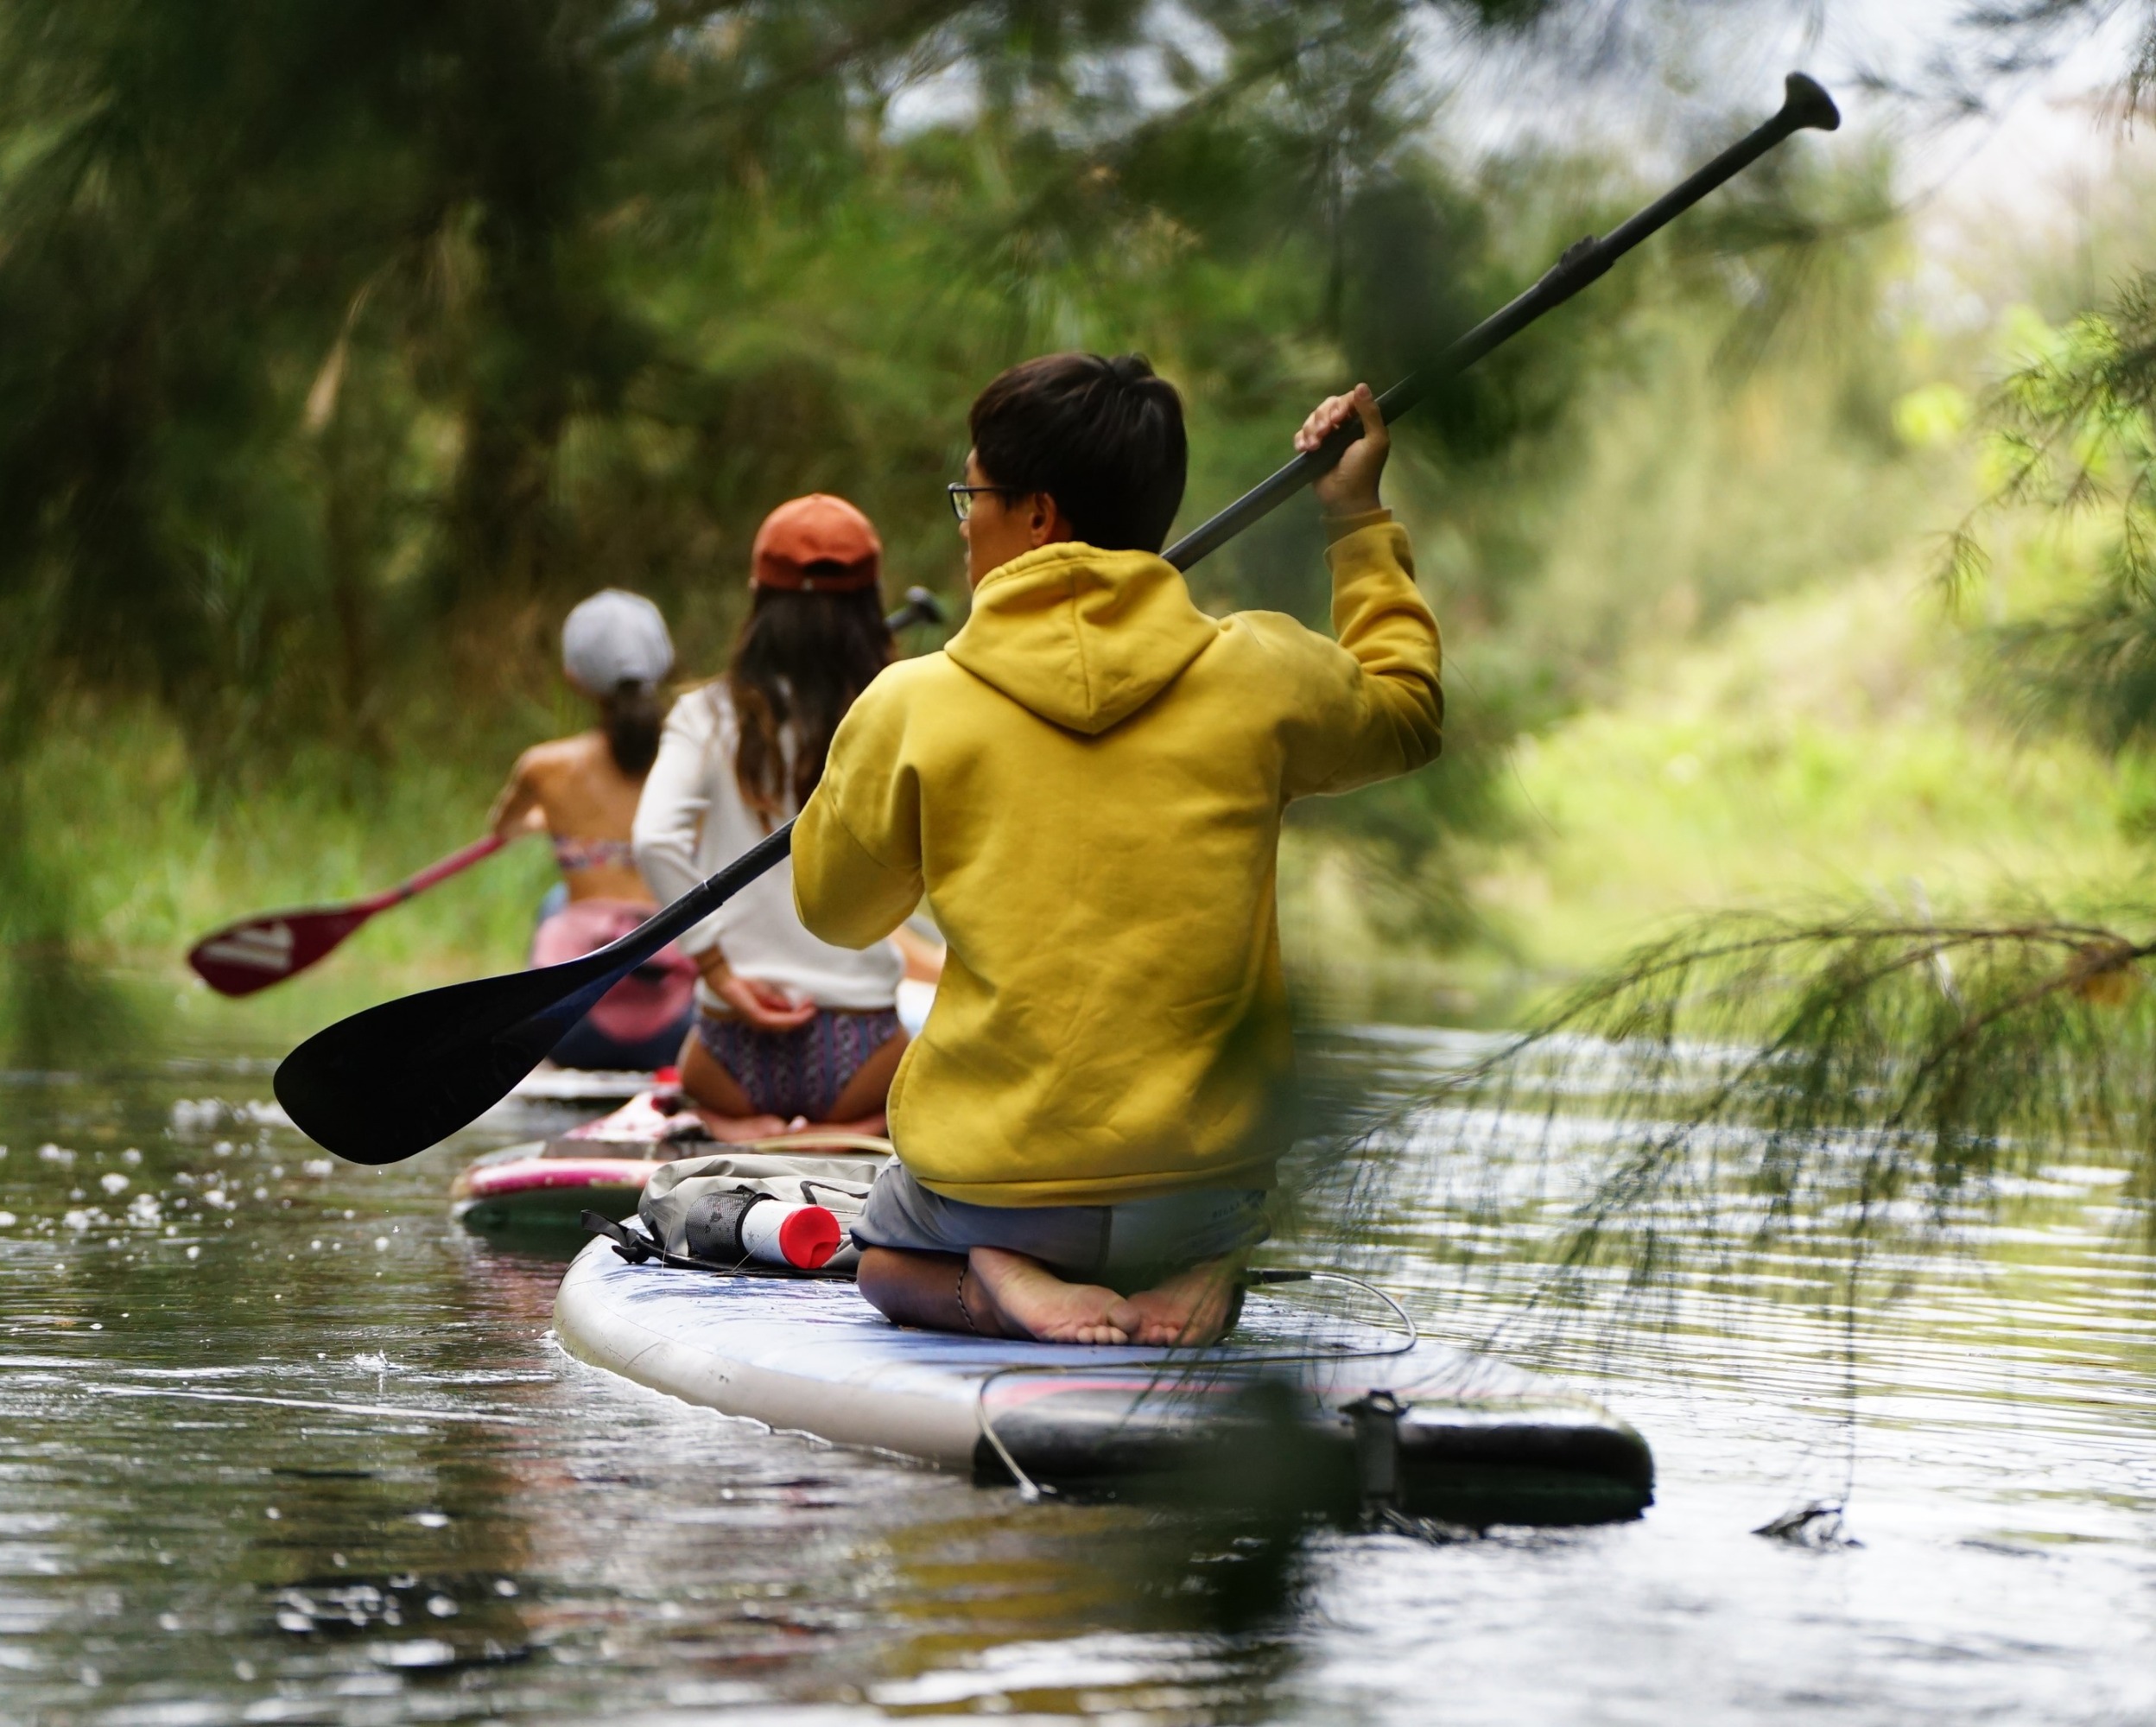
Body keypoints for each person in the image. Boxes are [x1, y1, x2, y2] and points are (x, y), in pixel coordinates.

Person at [790, 353, 1443, 1346]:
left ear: (1038, 514)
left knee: (884, 1261)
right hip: (1203, 1191)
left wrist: (868, 785)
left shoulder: (911, 703)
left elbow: (836, 914)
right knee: (1206, 1205)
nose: (965, 520)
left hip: (988, 1191)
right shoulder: (1261, 673)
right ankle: (1200, 1269)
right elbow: (1408, 712)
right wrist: (1355, 518)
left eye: (976, 495)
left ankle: (998, 1285)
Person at [633, 494, 912, 1140]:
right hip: (865, 1044)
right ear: (871, 605)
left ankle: (731, 1127)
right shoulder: (903, 711)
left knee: (702, 1099)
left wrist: (715, 969)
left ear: (758, 599)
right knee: (905, 1103)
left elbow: (654, 838)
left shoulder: (705, 715)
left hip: (731, 1050)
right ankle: (847, 1132)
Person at [487, 588, 696, 1072]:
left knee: (556, 904)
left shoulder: (543, 768)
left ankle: (540, 1056)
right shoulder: (696, 759)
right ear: (662, 667)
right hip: (676, 1030)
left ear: (574, 679)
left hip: (573, 1032)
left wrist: (556, 822)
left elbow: (505, 828)